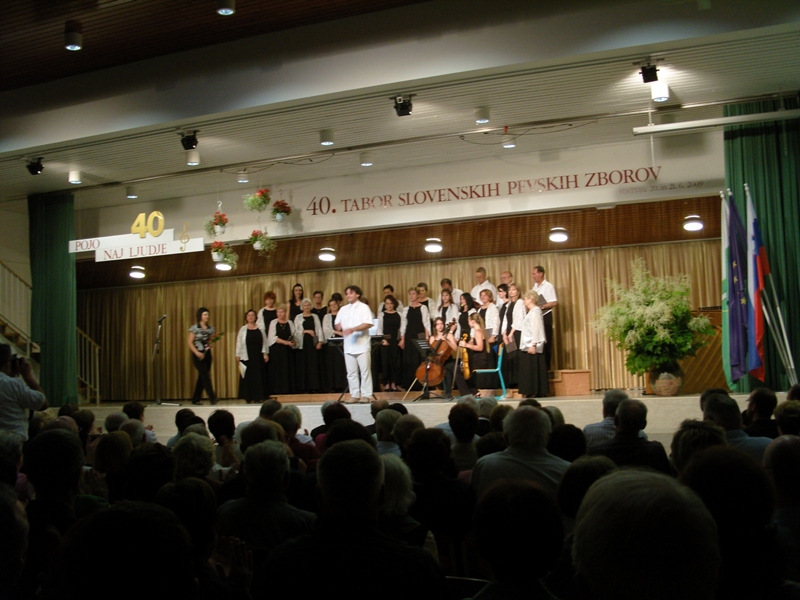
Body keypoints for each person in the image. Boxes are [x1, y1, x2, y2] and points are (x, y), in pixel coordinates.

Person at [334, 285, 375, 403]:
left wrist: (353, 329)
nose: (348, 295)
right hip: (348, 345)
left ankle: (367, 395)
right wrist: (338, 326)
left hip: (362, 344)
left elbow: (368, 323)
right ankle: (355, 395)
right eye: (347, 293)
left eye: (351, 293)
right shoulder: (343, 309)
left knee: (365, 371)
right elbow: (337, 324)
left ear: (357, 294)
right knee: (351, 373)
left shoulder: (364, 307)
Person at [0, 344, 47, 440]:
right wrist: (28, 376)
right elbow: (42, 403)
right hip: (12, 440)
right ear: (7, 363)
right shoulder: (12, 384)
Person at [399, 287, 431, 390]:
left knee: (420, 359)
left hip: (420, 336)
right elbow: (403, 325)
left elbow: (426, 323)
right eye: (410, 294)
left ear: (417, 295)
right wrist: (402, 339)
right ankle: (409, 384)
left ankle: (421, 383)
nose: (412, 296)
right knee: (409, 359)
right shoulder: (406, 309)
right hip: (409, 336)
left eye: (413, 294)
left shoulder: (423, 308)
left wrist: (427, 337)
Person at [518, 290, 548, 398]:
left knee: (532, 368)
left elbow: (536, 328)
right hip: (527, 344)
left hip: (531, 344)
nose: (524, 301)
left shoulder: (535, 312)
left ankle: (534, 390)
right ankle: (531, 390)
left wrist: (533, 345)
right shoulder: (531, 312)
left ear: (531, 299)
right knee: (529, 368)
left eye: (525, 299)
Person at [236, 309, 269, 403]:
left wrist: (265, 353)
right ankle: (248, 397)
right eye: (249, 315)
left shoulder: (260, 328)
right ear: (246, 318)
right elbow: (239, 342)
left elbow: (265, 342)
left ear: (255, 317)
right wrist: (237, 354)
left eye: (252, 315)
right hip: (246, 355)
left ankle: (258, 396)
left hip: (258, 356)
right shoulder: (243, 329)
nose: (251, 317)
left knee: (258, 376)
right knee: (247, 376)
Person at [455, 312, 492, 396]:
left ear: (472, 321)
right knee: (462, 369)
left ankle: (467, 393)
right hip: (479, 359)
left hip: (479, 361)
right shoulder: (480, 331)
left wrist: (466, 345)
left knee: (459, 370)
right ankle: (474, 391)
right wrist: (469, 343)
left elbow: (480, 347)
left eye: (468, 321)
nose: (468, 323)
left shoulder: (478, 332)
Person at [188, 307, 217, 405]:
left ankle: (195, 399)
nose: (207, 316)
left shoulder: (211, 329)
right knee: (205, 375)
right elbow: (190, 342)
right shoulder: (194, 328)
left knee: (202, 376)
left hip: (207, 354)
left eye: (208, 314)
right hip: (198, 353)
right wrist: (197, 352)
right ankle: (212, 397)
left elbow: (211, 341)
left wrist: (211, 343)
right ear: (200, 316)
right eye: (205, 314)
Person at [293, 298, 324, 393]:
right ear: (302, 307)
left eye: (308, 305)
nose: (306, 307)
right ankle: (303, 387)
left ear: (311, 306)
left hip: (312, 344)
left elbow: (319, 329)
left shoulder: (315, 316)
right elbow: (295, 331)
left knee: (313, 365)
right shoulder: (298, 317)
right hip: (302, 344)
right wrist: (306, 331)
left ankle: (314, 387)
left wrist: (320, 342)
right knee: (303, 365)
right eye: (305, 305)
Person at [531, 265, 557, 370]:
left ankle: (547, 367)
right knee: (537, 340)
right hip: (536, 317)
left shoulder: (548, 286)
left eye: (534, 274)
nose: (533, 276)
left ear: (541, 274)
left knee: (546, 341)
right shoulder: (534, 287)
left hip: (545, 316)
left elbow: (554, 302)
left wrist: (541, 306)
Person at [266, 306, 296, 395]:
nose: (280, 314)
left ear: (285, 312)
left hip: (288, 350)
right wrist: (286, 342)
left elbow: (294, 334)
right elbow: (272, 337)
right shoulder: (273, 322)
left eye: (282, 312)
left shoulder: (290, 323)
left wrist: (293, 341)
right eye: (278, 312)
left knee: (287, 369)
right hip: (277, 350)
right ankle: (277, 390)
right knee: (278, 369)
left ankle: (288, 390)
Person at [428, 317, 459, 399]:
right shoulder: (432, 337)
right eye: (437, 324)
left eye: (441, 324)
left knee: (447, 370)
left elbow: (455, 348)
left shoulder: (449, 335)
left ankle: (448, 393)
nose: (440, 326)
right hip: (437, 360)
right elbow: (431, 352)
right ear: (435, 326)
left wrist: (446, 340)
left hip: (447, 359)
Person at [502, 283, 525, 388]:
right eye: (510, 290)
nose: (511, 292)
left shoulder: (520, 303)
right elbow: (505, 320)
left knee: (516, 356)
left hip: (516, 332)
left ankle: (518, 381)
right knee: (510, 356)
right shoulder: (509, 304)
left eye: (513, 290)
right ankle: (511, 381)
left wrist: (511, 333)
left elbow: (519, 319)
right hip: (509, 333)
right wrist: (504, 333)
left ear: (518, 292)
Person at [378, 294, 402, 391]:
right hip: (384, 341)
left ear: (394, 304)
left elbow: (401, 329)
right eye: (387, 303)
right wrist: (383, 340)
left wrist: (401, 339)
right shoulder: (381, 315)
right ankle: (386, 383)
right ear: (385, 304)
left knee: (395, 362)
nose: (389, 305)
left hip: (395, 341)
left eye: (391, 303)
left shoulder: (399, 314)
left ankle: (394, 383)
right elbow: (379, 329)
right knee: (385, 362)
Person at [322, 298, 346, 392]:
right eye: (331, 305)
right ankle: (332, 386)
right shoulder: (326, 317)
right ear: (329, 307)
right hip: (331, 345)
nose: (333, 306)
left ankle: (342, 385)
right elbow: (326, 330)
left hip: (342, 343)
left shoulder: (343, 315)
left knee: (341, 364)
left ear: (338, 305)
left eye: (335, 304)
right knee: (331, 365)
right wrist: (337, 332)